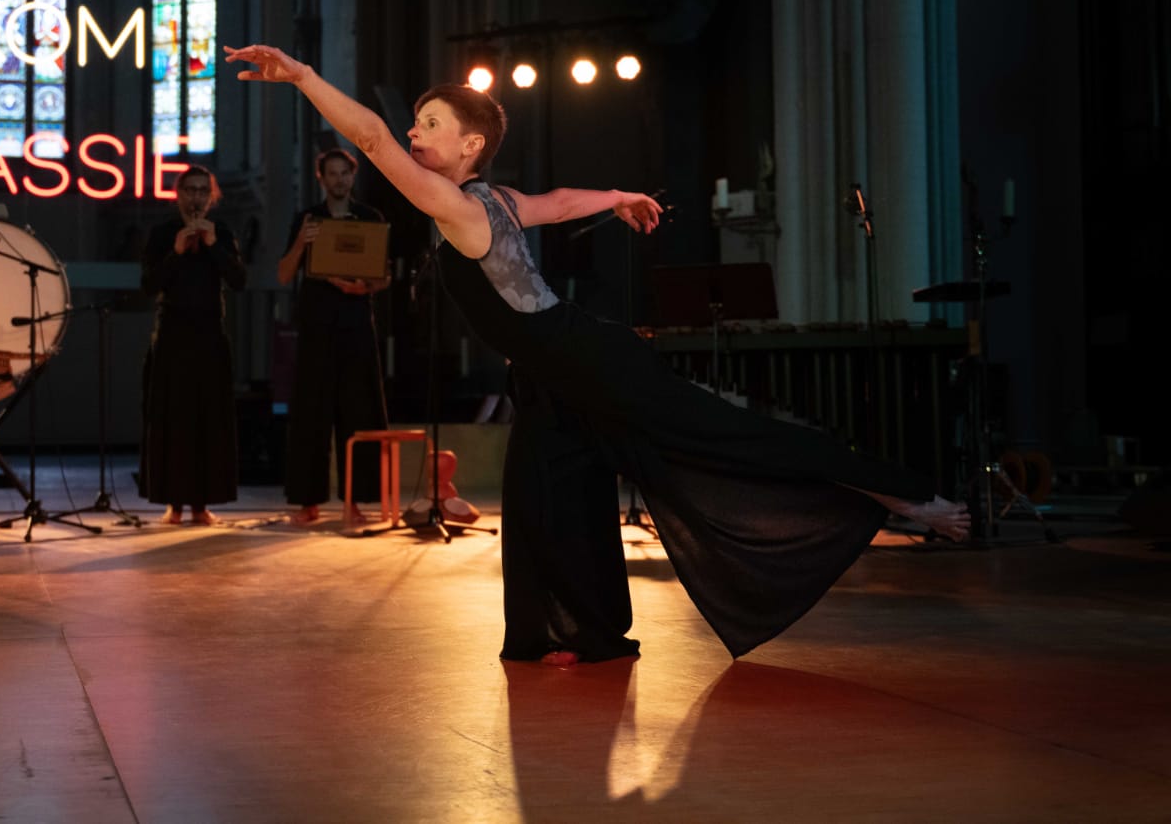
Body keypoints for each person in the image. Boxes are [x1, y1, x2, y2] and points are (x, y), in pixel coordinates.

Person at [226, 43, 969, 666]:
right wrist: (616, 196)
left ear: (471, 146)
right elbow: (556, 203)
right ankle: (581, 633)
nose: (413, 134)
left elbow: (371, 140)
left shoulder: (458, 204)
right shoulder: (497, 200)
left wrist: (302, 76)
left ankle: (900, 493)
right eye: (415, 123)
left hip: (583, 357)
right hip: (550, 376)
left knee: (721, 432)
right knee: (541, 495)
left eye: (430, 124)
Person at [276, 148, 391, 526]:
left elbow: (383, 276)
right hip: (316, 326)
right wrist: (301, 242)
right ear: (321, 178)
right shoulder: (308, 219)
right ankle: (306, 502)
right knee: (310, 413)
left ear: (353, 177)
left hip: (356, 326)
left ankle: (355, 502)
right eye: (333, 173)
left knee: (358, 412)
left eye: (345, 173)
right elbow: (283, 274)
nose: (339, 179)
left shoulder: (369, 218)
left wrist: (363, 287)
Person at [138, 165, 245, 525]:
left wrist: (213, 247)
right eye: (190, 190)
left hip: (210, 336)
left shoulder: (222, 232)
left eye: (203, 191)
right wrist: (176, 252)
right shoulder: (162, 234)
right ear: (178, 195)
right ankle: (174, 504)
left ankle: (201, 505)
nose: (196, 197)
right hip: (172, 336)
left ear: (212, 196)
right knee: (172, 421)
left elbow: (238, 280)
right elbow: (149, 285)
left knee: (208, 421)